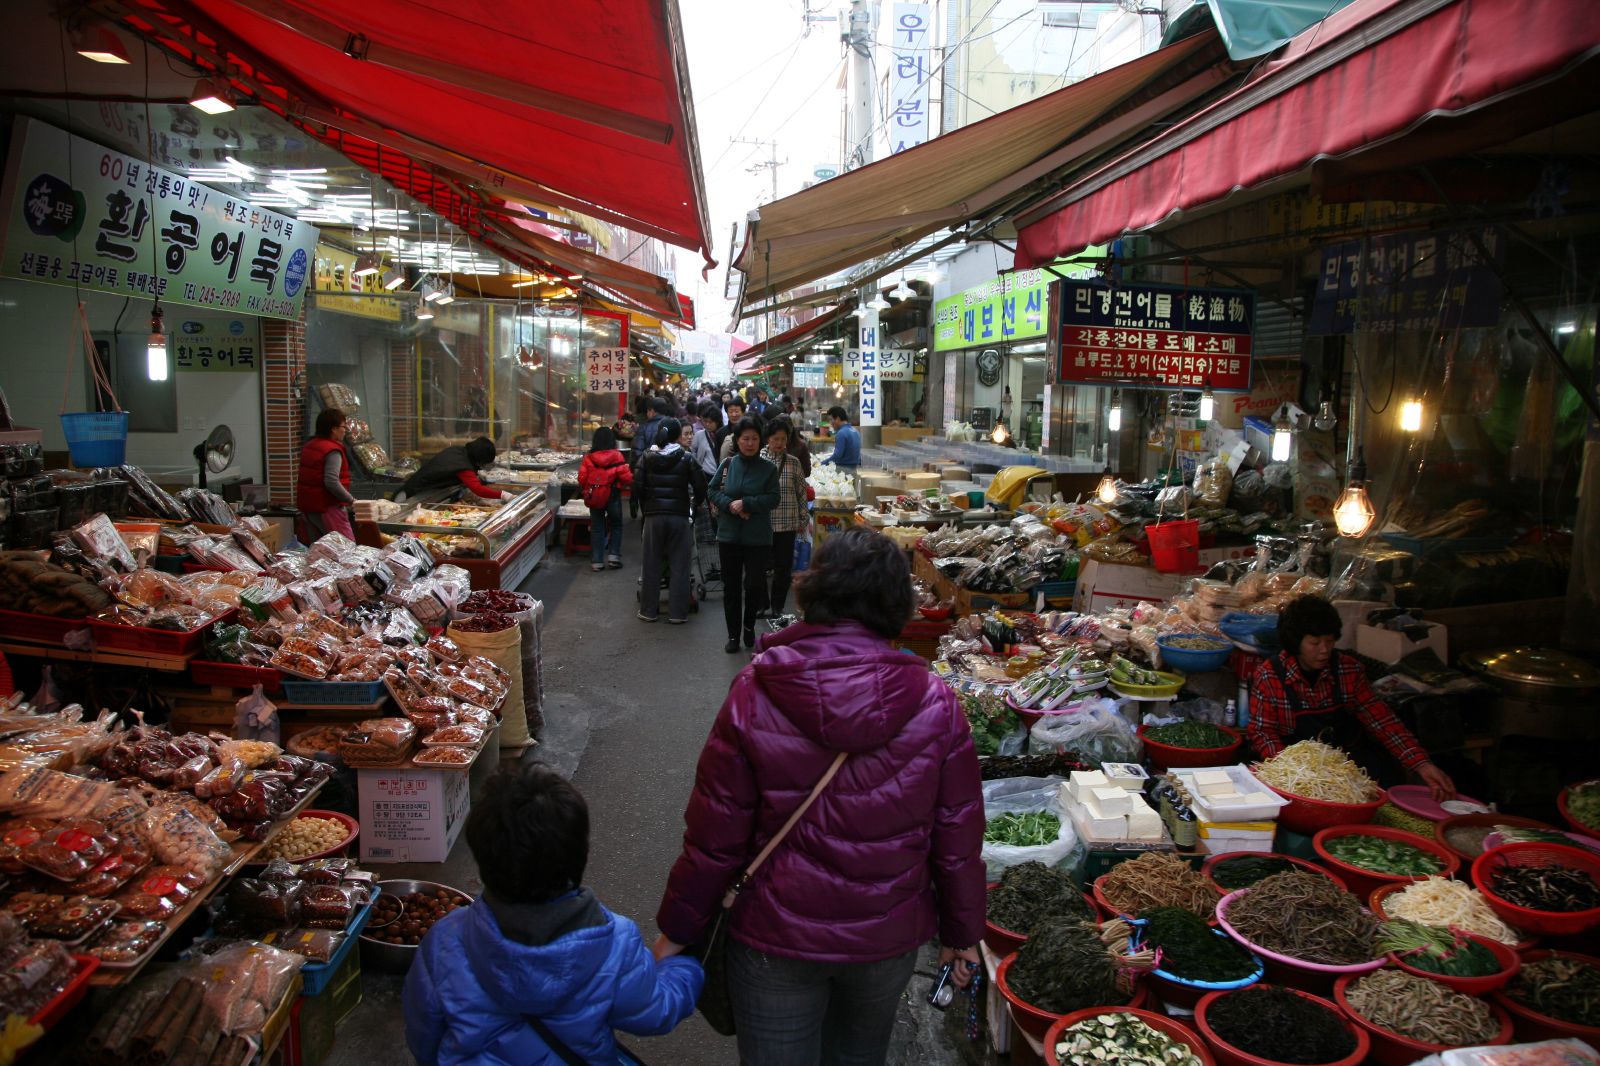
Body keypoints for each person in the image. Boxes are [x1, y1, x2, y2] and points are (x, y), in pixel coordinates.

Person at [654, 528, 985, 1065]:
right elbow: (958, 836)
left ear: (816, 589)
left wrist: (678, 929)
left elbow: (716, 833)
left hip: (773, 935)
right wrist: (963, 932)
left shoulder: (757, 687)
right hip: (886, 934)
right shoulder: (936, 702)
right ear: (897, 601)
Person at [404, 764, 702, 1066]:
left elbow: (424, 1036)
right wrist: (685, 968)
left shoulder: (444, 941)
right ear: (579, 854)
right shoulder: (616, 944)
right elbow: (656, 1012)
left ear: (482, 858)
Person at [1248, 595, 1457, 800]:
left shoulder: (1348, 670)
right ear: (1295, 643)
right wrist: (1297, 773)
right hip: (1297, 774)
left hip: (1348, 767)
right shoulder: (1270, 676)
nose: (1324, 650)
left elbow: (1383, 722)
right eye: (1315, 643)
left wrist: (1421, 763)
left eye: (1329, 641)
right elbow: (1263, 733)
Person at [709, 417, 779, 653]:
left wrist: (747, 503)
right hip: (729, 536)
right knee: (731, 587)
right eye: (745, 439)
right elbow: (711, 489)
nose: (750, 443)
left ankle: (749, 627)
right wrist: (730, 505)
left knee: (753, 585)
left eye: (754, 439)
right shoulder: (728, 464)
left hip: (758, 538)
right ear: (737, 441)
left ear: (761, 441)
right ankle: (732, 635)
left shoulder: (768, 469)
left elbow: (773, 498)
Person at [636, 418, 706, 624]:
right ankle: (677, 613)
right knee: (680, 565)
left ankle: (649, 611)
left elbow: (637, 487)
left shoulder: (646, 457)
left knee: (651, 565)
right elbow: (701, 486)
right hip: (679, 518)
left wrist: (646, 507)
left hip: (653, 518)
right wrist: (695, 505)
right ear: (677, 436)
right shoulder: (686, 458)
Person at [760, 418, 808, 619]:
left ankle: (777, 606)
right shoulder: (759, 460)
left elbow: (801, 493)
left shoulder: (793, 462)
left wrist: (803, 519)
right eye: (775, 439)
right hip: (762, 522)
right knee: (759, 567)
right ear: (768, 439)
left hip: (787, 523)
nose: (779, 443)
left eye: (783, 439)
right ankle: (762, 604)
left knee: (783, 568)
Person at [296, 408, 357, 542]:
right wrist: (351, 500)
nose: (345, 430)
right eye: (343, 426)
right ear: (333, 429)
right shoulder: (332, 450)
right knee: (346, 549)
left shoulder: (310, 445)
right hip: (327, 507)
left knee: (319, 551)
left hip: (309, 508)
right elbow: (331, 481)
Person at [577, 427, 632, 573]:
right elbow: (626, 477)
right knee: (616, 525)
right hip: (613, 495)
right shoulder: (617, 456)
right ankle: (613, 557)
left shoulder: (589, 458)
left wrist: (589, 488)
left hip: (595, 496)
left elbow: (582, 478)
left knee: (597, 528)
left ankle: (597, 561)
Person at [398, 436, 508, 503]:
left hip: (419, 491)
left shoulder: (459, 451)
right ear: (479, 458)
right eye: (483, 463)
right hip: (413, 496)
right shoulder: (463, 465)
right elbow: (477, 489)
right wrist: (503, 494)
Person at [820, 405, 860, 474]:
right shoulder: (855, 431)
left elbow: (837, 456)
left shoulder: (841, 433)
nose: (830, 423)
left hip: (843, 470)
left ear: (838, 418)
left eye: (831, 419)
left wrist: (822, 463)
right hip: (855, 469)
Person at [688, 405, 720, 478]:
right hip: (705, 474)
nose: (707, 424)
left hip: (720, 474)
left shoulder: (723, 434)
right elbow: (693, 451)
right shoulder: (699, 435)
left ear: (717, 422)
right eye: (705, 421)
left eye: (710, 422)